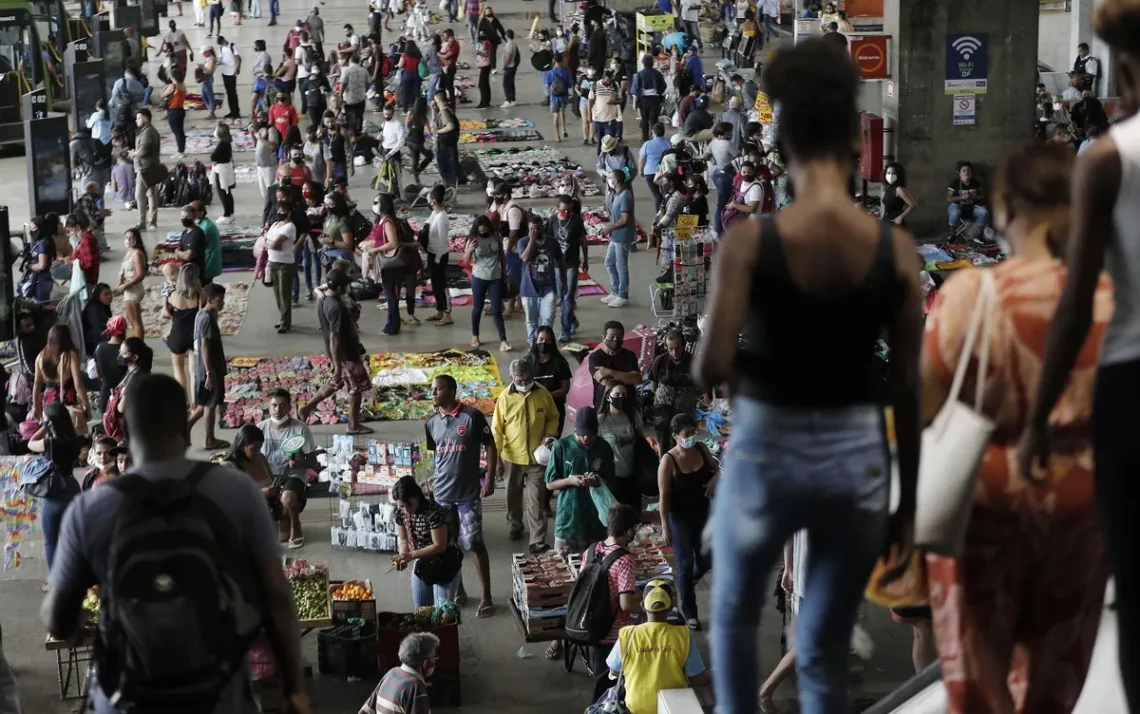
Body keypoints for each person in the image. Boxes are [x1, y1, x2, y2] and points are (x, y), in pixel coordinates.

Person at [693, 39, 923, 714]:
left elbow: (709, 365)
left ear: (786, 144)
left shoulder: (751, 243)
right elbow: (910, 389)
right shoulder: (895, 249)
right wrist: (905, 506)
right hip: (859, 462)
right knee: (821, 645)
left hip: (767, 448)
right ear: (854, 145)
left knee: (734, 617)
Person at [920, 141, 1109, 713]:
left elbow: (925, 400)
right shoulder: (1112, 301)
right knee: (1056, 674)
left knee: (978, 672)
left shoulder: (972, 296)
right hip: (1081, 503)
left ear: (1003, 208)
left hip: (983, 498)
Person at [41, 373, 310, 714]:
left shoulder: (91, 508)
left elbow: (57, 618)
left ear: (125, 432)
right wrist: (294, 689)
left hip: (126, 699)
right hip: (218, 697)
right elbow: (276, 597)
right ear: (185, 429)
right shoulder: (237, 492)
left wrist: (78, 627)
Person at [1020, 2, 1140, 707]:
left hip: (1130, 390)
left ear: (1119, 64)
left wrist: (1040, 417)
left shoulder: (1106, 162)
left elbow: (1074, 307)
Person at [425, 374, 499, 617]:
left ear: (452, 391)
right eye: (432, 389)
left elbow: (490, 445)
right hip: (442, 496)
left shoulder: (472, 416)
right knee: (450, 546)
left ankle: (487, 596)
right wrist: (429, 481)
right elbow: (435, 456)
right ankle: (460, 590)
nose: (433, 393)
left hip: (468, 495)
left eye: (438, 389)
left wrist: (489, 478)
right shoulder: (431, 423)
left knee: (474, 544)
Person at [606, 580, 708, 713]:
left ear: (643, 606)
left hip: (636, 707)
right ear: (671, 607)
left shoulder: (627, 634)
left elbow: (614, 671)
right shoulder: (683, 635)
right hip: (673, 706)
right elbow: (697, 678)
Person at [574, 502, 639, 701]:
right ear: (629, 530)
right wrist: (645, 606)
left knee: (601, 678)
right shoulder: (624, 559)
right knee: (613, 687)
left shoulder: (592, 550)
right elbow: (626, 604)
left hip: (592, 624)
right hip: (615, 634)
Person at [656, 414, 715, 629]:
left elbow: (716, 469)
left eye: (693, 432)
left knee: (707, 560)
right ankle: (690, 612)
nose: (691, 437)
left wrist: (715, 478)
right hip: (679, 519)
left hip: (702, 515)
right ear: (674, 437)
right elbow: (664, 496)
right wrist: (665, 527)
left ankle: (684, 586)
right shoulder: (668, 461)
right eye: (686, 435)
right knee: (685, 563)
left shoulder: (701, 449)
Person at [493, 359, 559, 551]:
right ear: (512, 378)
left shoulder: (543, 394)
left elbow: (553, 417)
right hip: (511, 457)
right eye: (519, 380)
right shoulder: (504, 398)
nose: (523, 383)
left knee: (536, 497)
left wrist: (549, 435)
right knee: (512, 494)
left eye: (527, 379)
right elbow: (497, 430)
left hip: (537, 458)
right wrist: (497, 458)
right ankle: (515, 525)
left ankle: (537, 539)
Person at [299, 271, 373, 435]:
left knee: (336, 383)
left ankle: (307, 408)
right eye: (346, 286)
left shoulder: (323, 297)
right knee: (356, 388)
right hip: (346, 354)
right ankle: (353, 425)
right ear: (339, 287)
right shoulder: (336, 307)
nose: (348, 289)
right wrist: (338, 365)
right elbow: (335, 338)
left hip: (339, 353)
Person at [257, 388, 318, 547]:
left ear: (290, 408)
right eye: (274, 405)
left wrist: (297, 463)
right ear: (268, 407)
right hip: (269, 476)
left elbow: (313, 462)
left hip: (292, 475)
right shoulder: (260, 428)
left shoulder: (300, 428)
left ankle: (295, 525)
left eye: (282, 405)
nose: (278, 410)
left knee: (287, 497)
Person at [26, 402, 82, 573]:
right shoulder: (74, 440)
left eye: (44, 418)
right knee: (72, 537)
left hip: (55, 490)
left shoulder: (50, 442)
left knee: (51, 540)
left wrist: (44, 427)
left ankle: (55, 581)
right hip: (72, 487)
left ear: (51, 421)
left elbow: (30, 443)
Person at [391, 476, 462, 608]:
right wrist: (403, 557)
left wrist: (411, 555)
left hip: (444, 561)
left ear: (418, 497)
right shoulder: (398, 513)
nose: (406, 510)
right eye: (401, 506)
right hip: (422, 561)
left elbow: (439, 546)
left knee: (442, 610)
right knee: (422, 609)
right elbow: (404, 539)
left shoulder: (433, 511)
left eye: (409, 505)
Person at [363, 193, 418, 336]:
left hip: (391, 263)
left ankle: (392, 327)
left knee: (392, 295)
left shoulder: (387, 222)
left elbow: (393, 242)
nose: (374, 205)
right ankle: (392, 324)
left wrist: (375, 249)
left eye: (377, 202)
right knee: (390, 295)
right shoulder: (381, 220)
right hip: (384, 260)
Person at [187, 283, 230, 450]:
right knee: (211, 405)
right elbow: (205, 346)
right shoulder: (206, 319)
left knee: (205, 401)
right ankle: (210, 440)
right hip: (209, 368)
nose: (223, 303)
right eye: (220, 300)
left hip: (203, 367)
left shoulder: (202, 314)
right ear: (210, 300)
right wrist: (210, 372)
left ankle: (187, 426)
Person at [596, 379, 649, 512]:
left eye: (624, 395)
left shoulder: (631, 415)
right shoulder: (601, 421)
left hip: (634, 475)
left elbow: (642, 439)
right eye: (617, 395)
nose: (621, 398)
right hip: (613, 479)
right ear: (608, 397)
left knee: (635, 515)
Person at [359, 632, 438, 714]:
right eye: (434, 657)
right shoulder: (415, 687)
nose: (435, 660)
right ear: (425, 663)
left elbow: (366, 711)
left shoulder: (392, 673)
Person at [465, 214, 511, 351]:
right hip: (479, 277)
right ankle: (475, 335)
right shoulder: (472, 239)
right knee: (477, 308)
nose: (483, 233)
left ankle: (503, 340)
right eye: (481, 231)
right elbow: (465, 260)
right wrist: (470, 250)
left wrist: (504, 272)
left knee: (497, 310)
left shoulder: (496, 236)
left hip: (495, 277)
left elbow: (501, 255)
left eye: (485, 230)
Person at [648, 330, 700, 451]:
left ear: (684, 345)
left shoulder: (694, 362)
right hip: (663, 404)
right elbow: (653, 385)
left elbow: (702, 386)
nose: (674, 352)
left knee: (685, 437)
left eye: (678, 348)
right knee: (663, 438)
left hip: (685, 405)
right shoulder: (660, 361)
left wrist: (690, 397)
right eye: (670, 348)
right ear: (666, 346)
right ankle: (664, 461)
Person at [518, 215, 565, 345]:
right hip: (529, 288)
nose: (534, 231)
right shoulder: (523, 242)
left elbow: (561, 261)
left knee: (548, 320)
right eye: (531, 229)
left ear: (542, 228)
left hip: (549, 288)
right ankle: (533, 346)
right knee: (531, 321)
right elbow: (525, 258)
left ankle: (545, 345)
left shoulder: (551, 242)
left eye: (537, 229)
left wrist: (564, 281)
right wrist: (532, 240)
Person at [33, 324, 90, 423]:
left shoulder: (40, 357)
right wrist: (86, 405)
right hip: (67, 401)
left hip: (48, 402)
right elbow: (78, 385)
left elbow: (37, 384)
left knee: (54, 432)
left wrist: (35, 407)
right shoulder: (70, 356)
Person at [103, 337, 154, 442]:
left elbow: (121, 408)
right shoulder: (136, 372)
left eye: (123, 353)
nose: (120, 356)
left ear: (134, 357)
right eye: (120, 352)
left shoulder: (135, 378)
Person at [163, 263, 203, 396]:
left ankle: (183, 399)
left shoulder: (172, 295)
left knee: (178, 367)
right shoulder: (200, 295)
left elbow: (166, 314)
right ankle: (195, 403)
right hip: (195, 334)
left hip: (178, 335)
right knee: (194, 371)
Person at [551, 194, 587, 341]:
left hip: (571, 263)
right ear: (557, 208)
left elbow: (583, 241)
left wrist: (585, 260)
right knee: (561, 296)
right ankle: (572, 320)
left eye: (568, 210)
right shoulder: (552, 220)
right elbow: (548, 240)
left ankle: (565, 330)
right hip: (557, 264)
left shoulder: (576, 221)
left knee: (568, 297)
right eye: (563, 210)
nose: (566, 213)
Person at [266, 201, 302, 334]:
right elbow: (267, 240)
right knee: (276, 292)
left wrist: (269, 243)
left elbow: (275, 244)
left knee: (284, 293)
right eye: (278, 211)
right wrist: (270, 243)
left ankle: (286, 322)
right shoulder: (275, 224)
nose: (279, 213)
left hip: (285, 263)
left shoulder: (290, 227)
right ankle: (282, 317)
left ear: (289, 212)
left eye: (282, 211)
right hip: (273, 261)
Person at [600, 170, 634, 307]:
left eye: (610, 178)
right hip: (615, 236)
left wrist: (609, 228)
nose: (609, 180)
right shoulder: (616, 195)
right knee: (609, 262)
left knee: (621, 265)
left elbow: (625, 219)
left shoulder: (625, 195)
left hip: (622, 235)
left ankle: (623, 294)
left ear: (616, 181)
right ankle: (615, 291)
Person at [531, 325, 572, 434]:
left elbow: (565, 388)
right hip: (533, 409)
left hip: (555, 409)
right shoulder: (528, 362)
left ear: (552, 342)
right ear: (535, 340)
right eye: (541, 339)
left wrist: (546, 396)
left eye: (548, 340)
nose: (544, 343)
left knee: (552, 441)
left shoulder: (560, 363)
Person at [423, 185, 452, 324]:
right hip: (432, 253)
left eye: (429, 200)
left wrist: (438, 259)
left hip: (439, 256)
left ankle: (447, 314)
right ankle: (439, 310)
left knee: (441, 284)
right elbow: (427, 225)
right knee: (435, 284)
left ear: (433, 201)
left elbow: (443, 241)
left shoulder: (442, 217)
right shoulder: (434, 214)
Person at [130, 109, 161, 230]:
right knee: (151, 194)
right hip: (151, 166)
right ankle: (152, 221)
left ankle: (141, 222)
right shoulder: (150, 131)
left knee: (140, 195)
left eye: (138, 118)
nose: (136, 120)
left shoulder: (147, 133)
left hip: (144, 168)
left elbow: (143, 151)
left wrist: (133, 154)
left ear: (146, 119)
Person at [93, 314, 127, 415]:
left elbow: (98, 374)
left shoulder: (99, 348)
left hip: (106, 392)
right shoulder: (127, 350)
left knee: (107, 424)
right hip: (123, 394)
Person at [631, 55, 667, 142]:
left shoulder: (639, 74)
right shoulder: (658, 74)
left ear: (643, 63)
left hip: (643, 100)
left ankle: (645, 139)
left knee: (644, 120)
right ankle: (655, 137)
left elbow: (635, 89)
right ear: (652, 63)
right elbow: (663, 86)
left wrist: (634, 103)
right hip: (655, 100)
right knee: (654, 120)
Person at [947, 160, 989, 232]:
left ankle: (978, 235)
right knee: (954, 213)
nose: (966, 172)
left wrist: (975, 197)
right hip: (958, 207)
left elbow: (982, 196)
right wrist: (961, 197)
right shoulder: (954, 183)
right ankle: (953, 234)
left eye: (968, 171)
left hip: (973, 207)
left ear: (971, 172)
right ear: (959, 173)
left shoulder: (976, 183)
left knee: (984, 212)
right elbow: (949, 198)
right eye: (963, 171)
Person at [64, 213, 99, 291]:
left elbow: (89, 262)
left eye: (71, 230)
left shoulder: (86, 240)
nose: (71, 233)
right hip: (85, 277)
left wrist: (72, 261)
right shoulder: (84, 238)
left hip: (87, 279)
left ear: (77, 227)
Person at [432, 91, 461, 188]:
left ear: (438, 99)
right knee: (451, 166)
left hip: (445, 145)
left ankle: (449, 188)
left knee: (446, 168)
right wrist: (433, 109)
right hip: (450, 143)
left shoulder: (444, 112)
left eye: (435, 99)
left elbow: (450, 126)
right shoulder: (448, 109)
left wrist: (437, 131)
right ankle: (451, 186)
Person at [175, 204, 208, 284]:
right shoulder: (184, 232)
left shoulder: (197, 233)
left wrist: (177, 252)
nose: (184, 219)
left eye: (188, 216)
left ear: (194, 217)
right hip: (186, 270)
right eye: (182, 216)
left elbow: (188, 256)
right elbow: (179, 254)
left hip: (196, 273)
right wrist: (180, 253)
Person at [589, 70, 621, 153]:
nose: (609, 82)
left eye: (610, 80)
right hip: (598, 119)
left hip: (610, 119)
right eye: (607, 80)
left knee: (610, 141)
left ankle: (610, 160)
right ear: (603, 78)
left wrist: (614, 102)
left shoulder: (615, 86)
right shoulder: (595, 85)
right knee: (600, 142)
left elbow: (620, 99)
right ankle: (600, 160)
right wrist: (589, 115)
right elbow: (591, 101)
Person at [210, 123, 236, 223]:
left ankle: (227, 214)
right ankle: (230, 213)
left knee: (223, 192)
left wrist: (214, 159)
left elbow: (213, 156)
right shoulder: (226, 142)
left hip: (221, 170)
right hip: (225, 168)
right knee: (227, 192)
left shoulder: (222, 144)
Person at [405, 97, 434, 186]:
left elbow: (406, 125)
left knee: (415, 160)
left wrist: (413, 128)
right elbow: (430, 131)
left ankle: (417, 180)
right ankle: (418, 170)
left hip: (410, 140)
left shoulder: (410, 113)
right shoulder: (423, 118)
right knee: (430, 156)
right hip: (419, 142)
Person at [82, 283, 113, 359]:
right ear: (98, 296)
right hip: (93, 345)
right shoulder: (94, 310)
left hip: (99, 340)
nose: (109, 296)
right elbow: (100, 331)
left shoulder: (102, 306)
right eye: (105, 294)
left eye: (110, 293)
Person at [340, 55, 370, 134]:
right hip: (361, 99)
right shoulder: (364, 71)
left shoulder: (346, 70)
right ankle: (358, 133)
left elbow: (343, 85)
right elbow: (368, 84)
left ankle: (351, 135)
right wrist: (363, 91)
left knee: (350, 120)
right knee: (359, 118)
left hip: (349, 100)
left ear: (350, 61)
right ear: (359, 61)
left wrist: (340, 97)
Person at [881, 161, 917, 226]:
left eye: (893, 173)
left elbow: (913, 205)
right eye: (888, 173)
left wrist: (900, 217)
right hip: (886, 220)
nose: (890, 176)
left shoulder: (899, 189)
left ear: (898, 175)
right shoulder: (888, 188)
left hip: (895, 222)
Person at [216, 35, 241, 120]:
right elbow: (221, 59)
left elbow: (237, 58)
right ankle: (232, 111)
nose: (221, 45)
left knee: (233, 93)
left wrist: (236, 69)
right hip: (225, 73)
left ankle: (236, 112)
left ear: (223, 40)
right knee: (229, 93)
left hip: (232, 73)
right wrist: (218, 62)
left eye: (221, 43)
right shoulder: (220, 48)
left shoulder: (232, 46)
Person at [500, 28, 520, 108]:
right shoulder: (513, 44)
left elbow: (508, 56)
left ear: (506, 36)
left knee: (506, 84)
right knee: (511, 83)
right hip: (513, 66)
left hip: (509, 67)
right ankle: (512, 99)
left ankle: (508, 100)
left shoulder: (509, 45)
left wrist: (504, 65)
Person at [198, 45, 218, 119]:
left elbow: (210, 71)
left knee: (209, 96)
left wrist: (202, 67)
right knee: (203, 95)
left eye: (204, 53)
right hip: (205, 78)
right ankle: (211, 110)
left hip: (208, 78)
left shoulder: (212, 59)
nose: (203, 55)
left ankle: (211, 112)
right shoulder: (208, 59)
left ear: (208, 52)